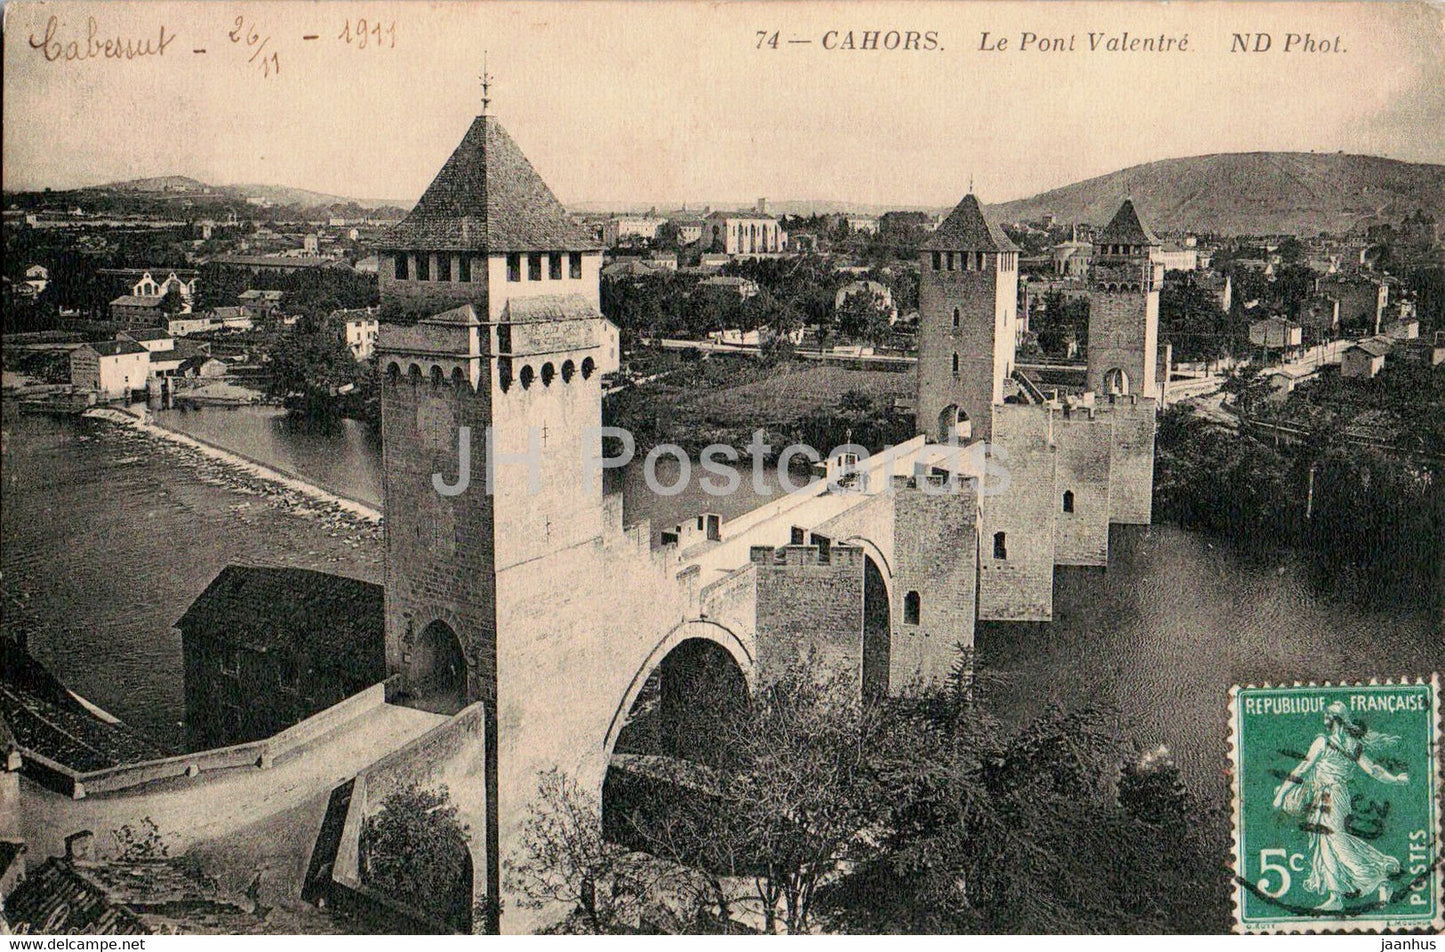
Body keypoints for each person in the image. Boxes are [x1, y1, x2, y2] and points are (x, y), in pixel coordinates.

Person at [1272, 701, 1409, 911]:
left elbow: (1303, 767)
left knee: (1336, 842)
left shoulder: (1323, 741)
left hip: (1332, 797)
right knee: (1326, 842)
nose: (1324, 719)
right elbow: (1374, 770)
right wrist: (1396, 779)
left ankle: (1379, 876)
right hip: (1328, 796)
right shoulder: (1351, 744)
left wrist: (1282, 793)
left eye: (1327, 715)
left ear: (1335, 718)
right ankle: (1336, 896)